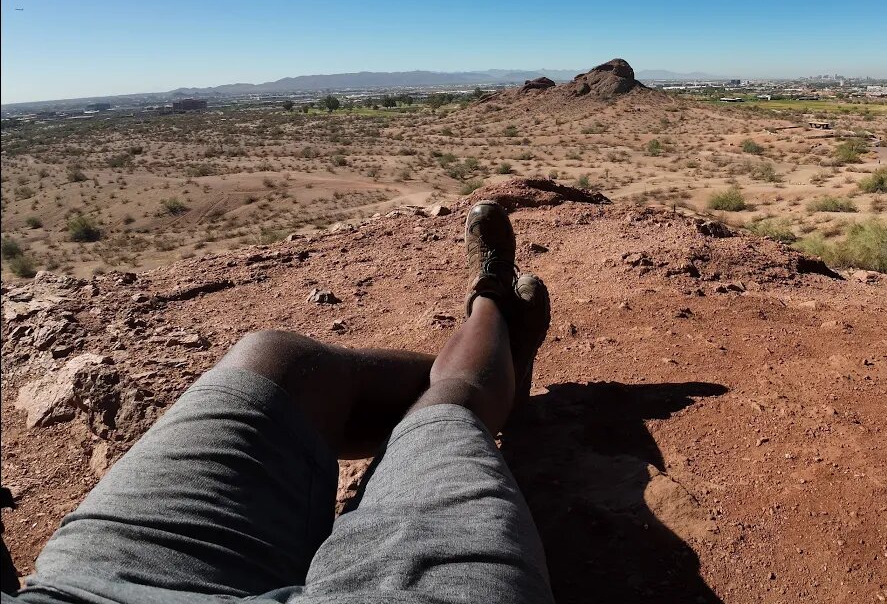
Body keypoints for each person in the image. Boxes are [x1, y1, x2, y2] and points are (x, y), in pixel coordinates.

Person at [4, 201, 557, 604]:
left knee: (275, 361)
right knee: (447, 412)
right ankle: (492, 310)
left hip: (87, 587)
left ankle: (494, 358)